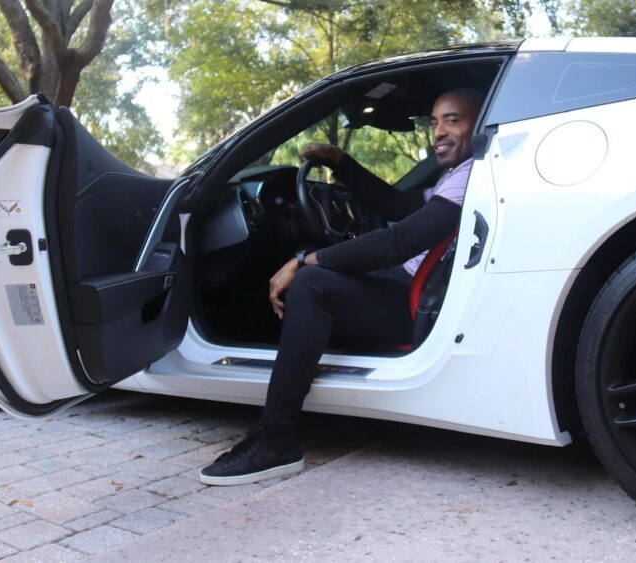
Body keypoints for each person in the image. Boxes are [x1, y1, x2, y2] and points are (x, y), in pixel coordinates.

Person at [199, 89, 483, 486]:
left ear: (480, 125)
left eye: (452, 120)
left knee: (313, 282)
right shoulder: (456, 174)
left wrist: (303, 261)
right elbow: (398, 207)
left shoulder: (474, 174)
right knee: (319, 265)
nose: (438, 132)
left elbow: (399, 242)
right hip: (408, 286)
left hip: (414, 304)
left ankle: (275, 440)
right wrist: (340, 162)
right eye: (434, 122)